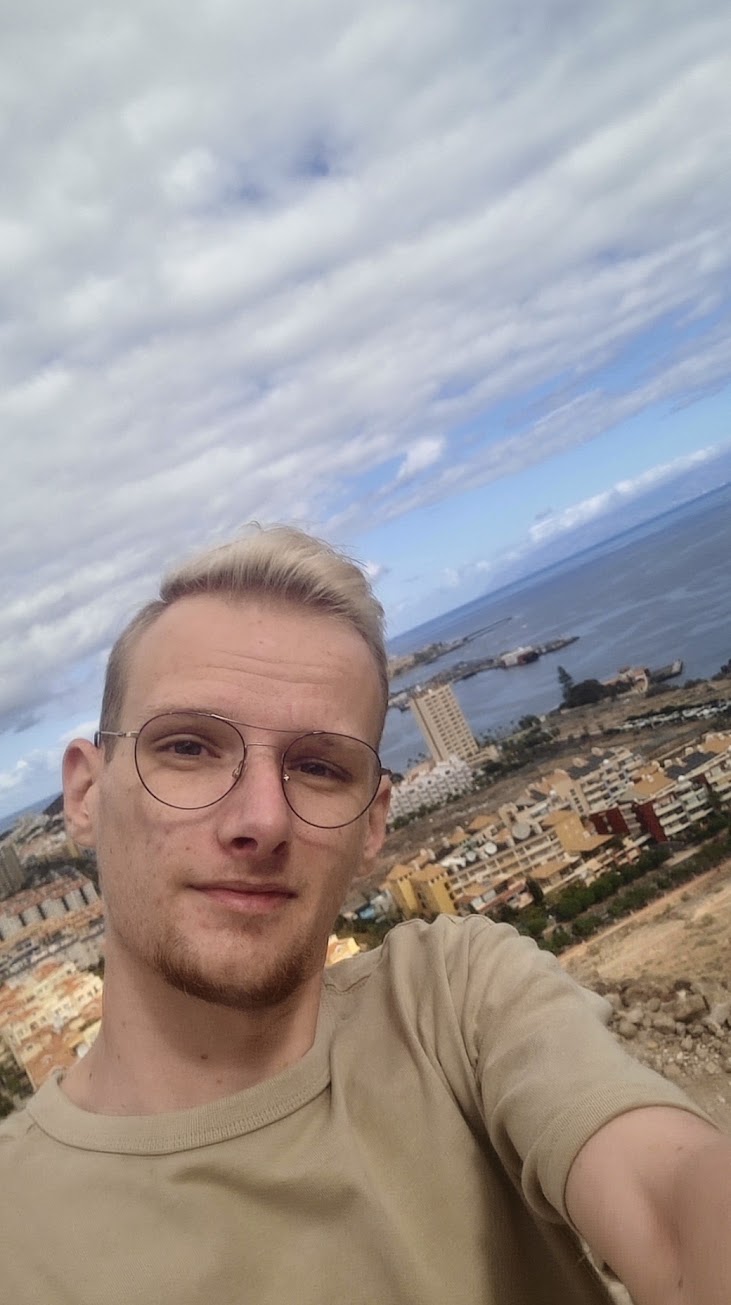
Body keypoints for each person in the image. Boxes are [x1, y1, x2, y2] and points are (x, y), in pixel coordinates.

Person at [1, 525, 729, 1305]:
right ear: (85, 793)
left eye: (318, 766)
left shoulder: (449, 1003)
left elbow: (666, 1200)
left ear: (374, 823)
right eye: (187, 747)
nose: (261, 819)